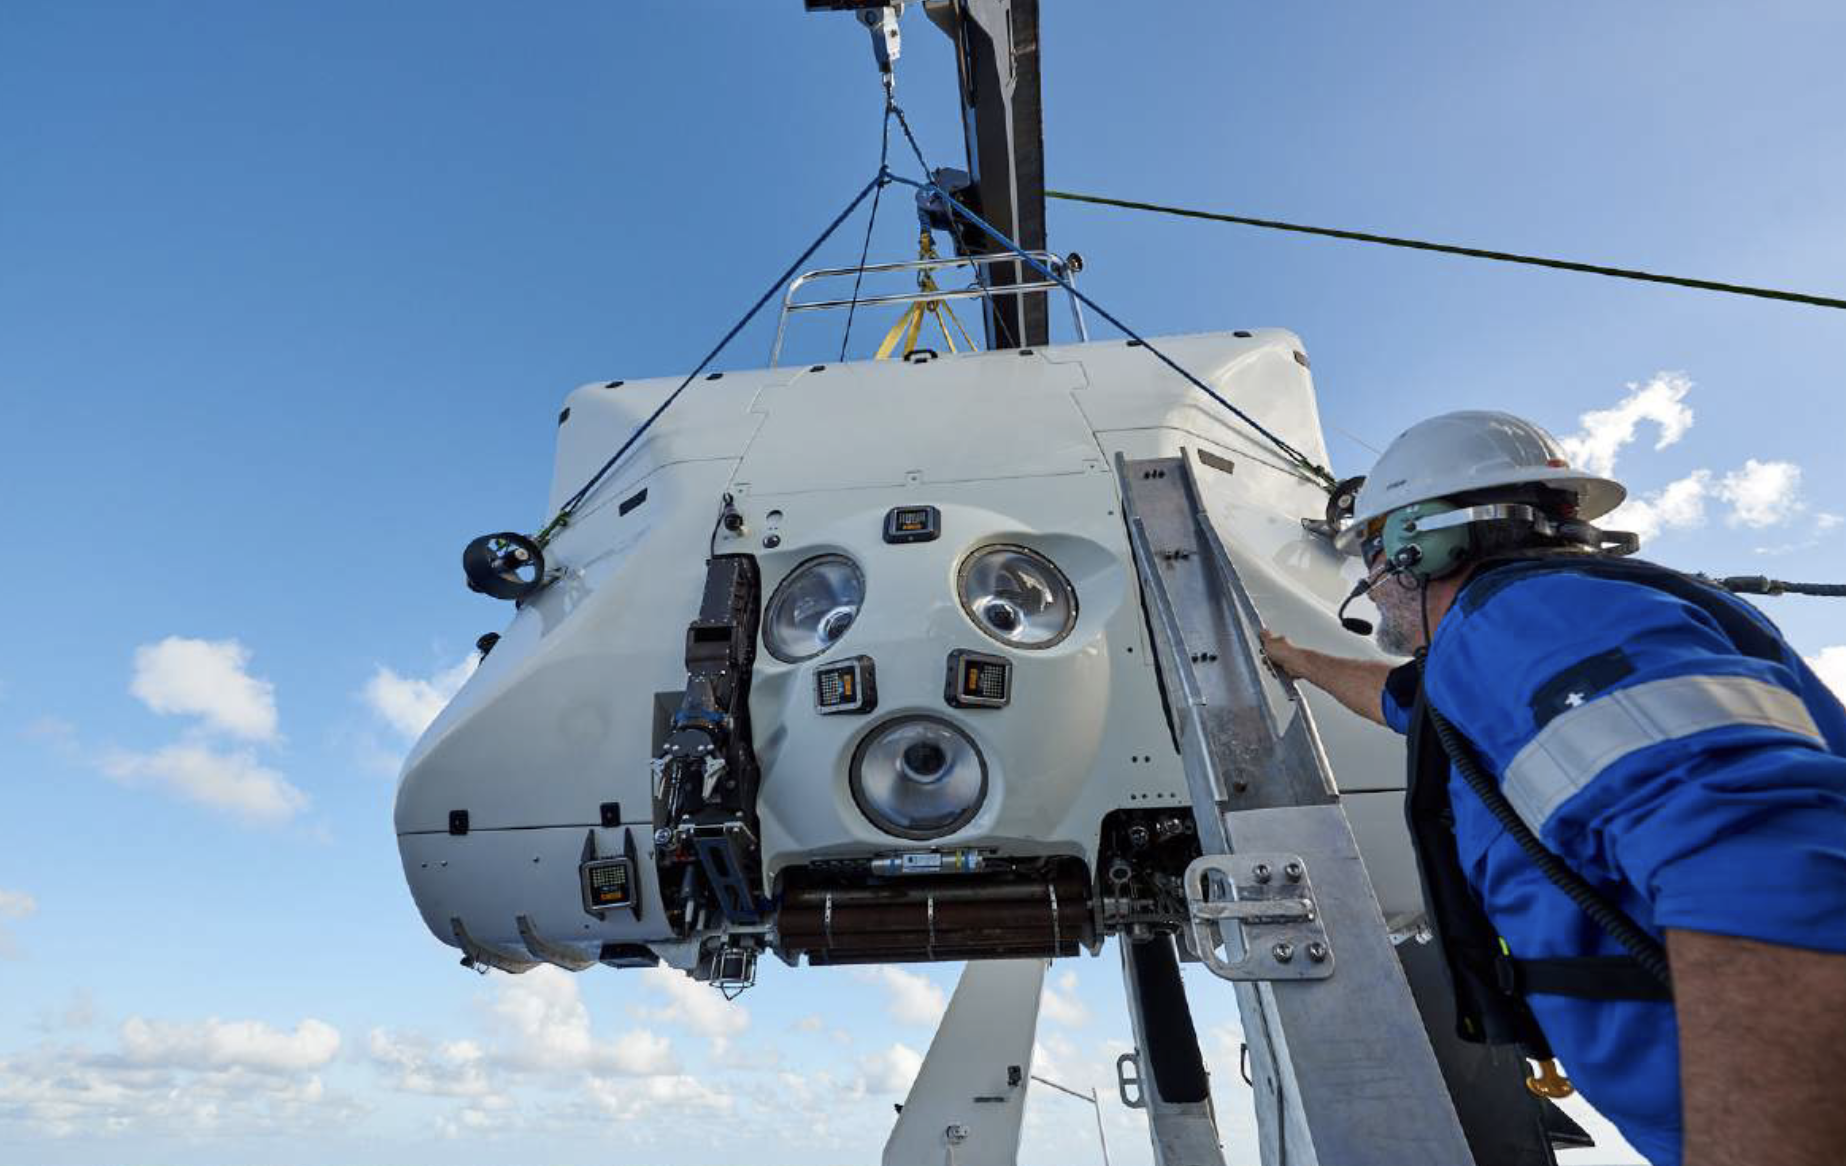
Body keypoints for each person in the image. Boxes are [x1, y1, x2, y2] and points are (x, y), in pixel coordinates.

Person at [1260, 410, 1846, 1166]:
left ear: (1420, 543)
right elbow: (1399, 701)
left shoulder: (1532, 619)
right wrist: (1298, 659)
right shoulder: (1507, 648)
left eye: (1372, 558)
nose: (1370, 588)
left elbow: (1764, 865)